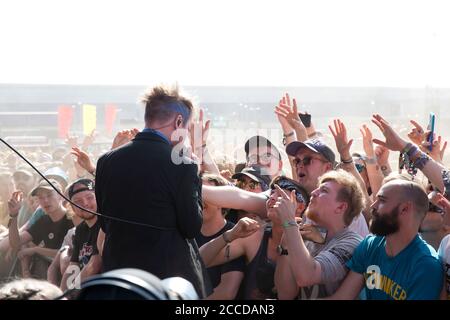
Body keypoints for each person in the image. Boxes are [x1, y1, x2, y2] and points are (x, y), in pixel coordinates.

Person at [95, 84, 208, 298]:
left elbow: (105, 223)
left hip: (118, 277)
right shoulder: (183, 164)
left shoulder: (106, 160)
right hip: (166, 280)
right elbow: (191, 226)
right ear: (178, 122)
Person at [328, 180, 443, 300]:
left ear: (404, 209)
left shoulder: (426, 266)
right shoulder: (370, 245)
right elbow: (342, 297)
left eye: (382, 200)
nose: (373, 206)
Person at [200, 176, 309, 299]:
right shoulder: (255, 236)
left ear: (300, 207)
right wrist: (229, 235)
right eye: (272, 193)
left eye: (280, 194)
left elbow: (286, 296)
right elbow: (200, 260)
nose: (272, 198)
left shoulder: (309, 243)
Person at [274, 170, 364, 299]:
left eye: (324, 191)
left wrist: (289, 223)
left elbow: (307, 276)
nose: (313, 193)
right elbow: (285, 294)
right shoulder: (305, 236)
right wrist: (286, 239)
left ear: (340, 207)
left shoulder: (351, 243)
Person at [7, 179, 73, 278]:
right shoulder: (43, 220)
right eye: (41, 197)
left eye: (49, 195)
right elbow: (16, 243)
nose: (45, 201)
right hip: (49, 271)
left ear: (61, 196)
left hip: (70, 274)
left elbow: (70, 255)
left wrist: (36, 250)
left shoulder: (73, 219)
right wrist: (14, 215)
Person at [196, 174, 245, 300]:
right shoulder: (187, 231)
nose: (200, 198)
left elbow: (226, 292)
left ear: (221, 202)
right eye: (197, 192)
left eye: (207, 195)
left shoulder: (237, 233)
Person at [60, 179, 102, 291]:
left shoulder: (105, 225)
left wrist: (71, 293)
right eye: (77, 201)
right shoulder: (80, 230)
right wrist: (62, 293)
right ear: (72, 207)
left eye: (89, 197)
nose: (85, 203)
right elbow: (73, 266)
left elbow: (94, 265)